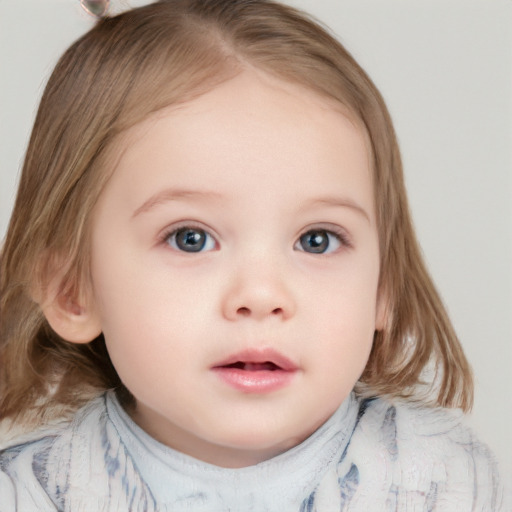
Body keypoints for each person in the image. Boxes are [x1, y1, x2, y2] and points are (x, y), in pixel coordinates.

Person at [0, 0, 508, 510]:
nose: (262, 296)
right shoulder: (29, 495)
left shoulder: (442, 481)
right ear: (73, 290)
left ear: (384, 287)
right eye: (190, 238)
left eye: (318, 239)